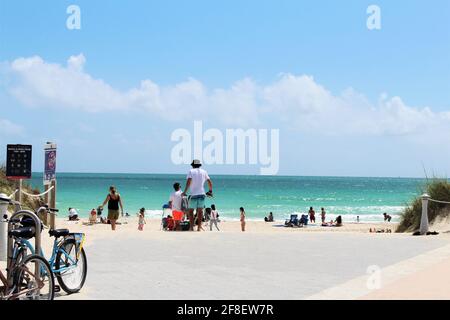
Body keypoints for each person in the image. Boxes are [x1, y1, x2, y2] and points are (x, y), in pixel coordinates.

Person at [182, 159, 213, 231]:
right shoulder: (204, 171)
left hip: (193, 194)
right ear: (199, 165)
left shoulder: (191, 171)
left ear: (193, 165)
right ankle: (199, 227)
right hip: (202, 194)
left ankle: (191, 227)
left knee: (190, 211)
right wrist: (210, 191)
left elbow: (188, 182)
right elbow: (209, 182)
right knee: (200, 211)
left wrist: (185, 192)